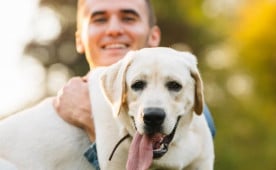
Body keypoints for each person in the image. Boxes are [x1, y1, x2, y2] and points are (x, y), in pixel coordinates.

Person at [53, 0, 215, 169]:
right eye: (100, 19)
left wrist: (90, 121)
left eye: (128, 18)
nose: (114, 30)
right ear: (78, 39)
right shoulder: (58, 106)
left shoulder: (197, 121)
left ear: (153, 36)